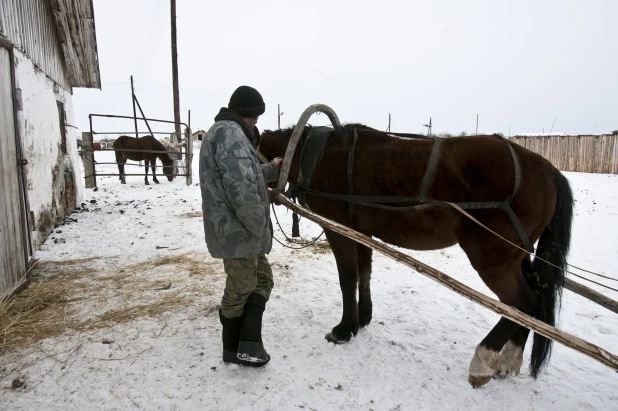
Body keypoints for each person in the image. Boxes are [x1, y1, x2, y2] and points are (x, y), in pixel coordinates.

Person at [199, 86, 282, 367]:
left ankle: (248, 342)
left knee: (261, 280)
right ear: (245, 113)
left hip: (240, 230)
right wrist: (260, 225)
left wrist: (271, 168)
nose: (257, 121)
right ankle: (234, 349)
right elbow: (241, 187)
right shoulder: (230, 133)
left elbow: (246, 172)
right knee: (242, 286)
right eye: (255, 116)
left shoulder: (229, 133)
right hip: (238, 230)